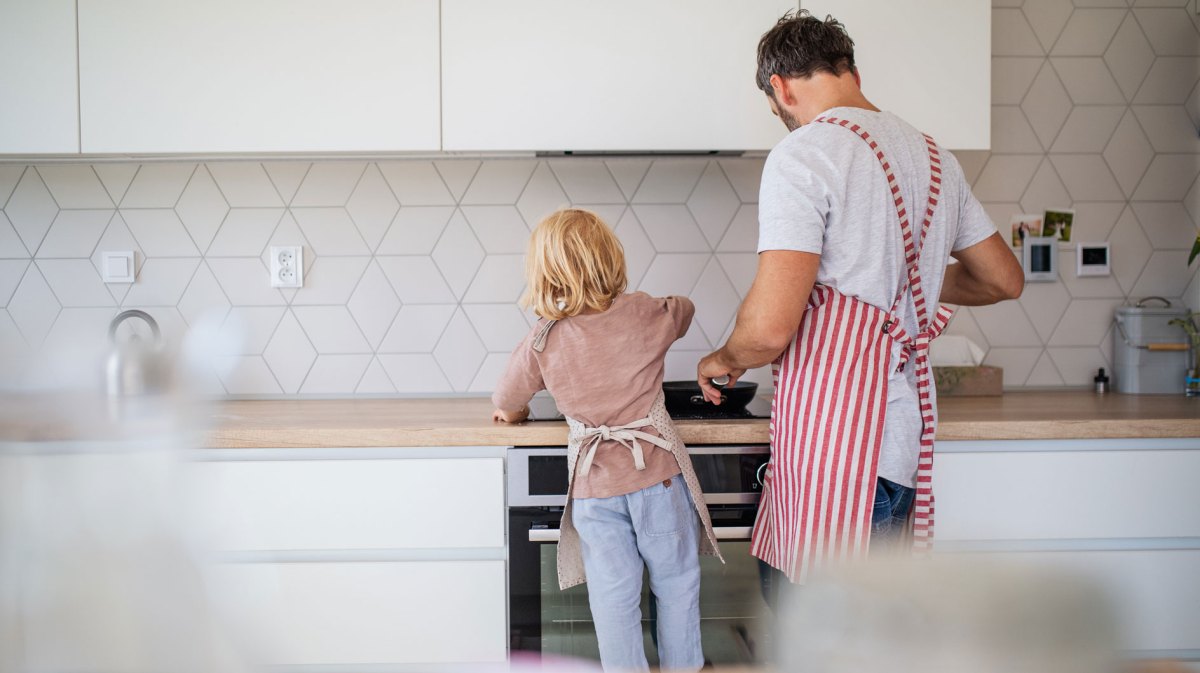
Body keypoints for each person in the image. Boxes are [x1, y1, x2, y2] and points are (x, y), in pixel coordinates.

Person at [697, 12, 1024, 589]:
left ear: (781, 87)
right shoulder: (936, 158)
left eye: (780, 112)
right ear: (851, 70)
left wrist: (723, 359)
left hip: (838, 451)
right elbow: (1002, 279)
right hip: (899, 448)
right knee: (872, 635)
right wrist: (907, 278)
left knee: (822, 638)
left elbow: (771, 328)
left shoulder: (805, 155)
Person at [492, 208, 723, 671]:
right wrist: (655, 309)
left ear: (543, 273)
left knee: (613, 596)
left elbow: (507, 398)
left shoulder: (543, 339)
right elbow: (685, 308)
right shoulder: (644, 313)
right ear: (611, 261)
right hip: (657, 477)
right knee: (677, 582)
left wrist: (511, 412)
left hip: (596, 490)